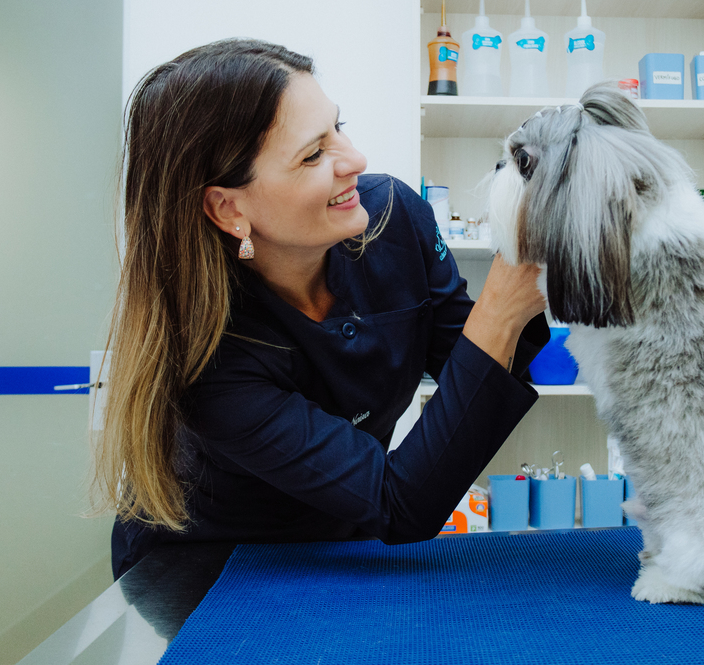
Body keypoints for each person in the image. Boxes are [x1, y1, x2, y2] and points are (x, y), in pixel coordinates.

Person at [93, 39, 550, 578]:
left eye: (339, 127)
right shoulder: (208, 361)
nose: (354, 160)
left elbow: (473, 378)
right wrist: (499, 309)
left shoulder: (393, 218)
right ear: (228, 207)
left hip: (347, 551)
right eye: (313, 154)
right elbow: (401, 504)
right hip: (209, 569)